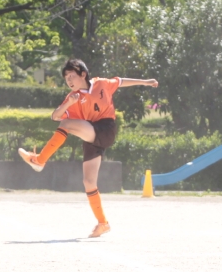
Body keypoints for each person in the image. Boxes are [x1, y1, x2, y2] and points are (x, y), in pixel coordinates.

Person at [18, 59, 158, 238]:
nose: (69, 80)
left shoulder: (101, 83)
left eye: (71, 76)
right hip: (91, 134)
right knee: (89, 182)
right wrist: (68, 104)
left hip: (105, 129)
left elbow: (121, 81)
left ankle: (40, 160)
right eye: (66, 78)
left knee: (66, 124)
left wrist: (145, 82)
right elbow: (55, 116)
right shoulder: (73, 97)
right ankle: (103, 223)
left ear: (83, 74)